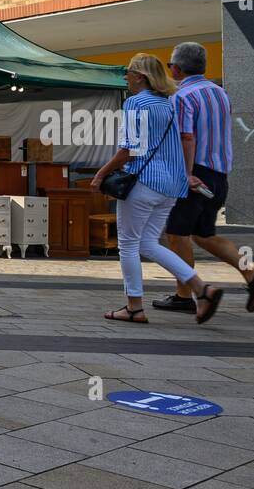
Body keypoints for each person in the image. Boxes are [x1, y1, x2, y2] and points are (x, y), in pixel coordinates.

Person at [91, 54, 223, 326]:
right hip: (171, 186)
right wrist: (186, 175)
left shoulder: (136, 103)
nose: (125, 77)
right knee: (149, 243)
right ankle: (201, 288)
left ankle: (134, 307)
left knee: (128, 244)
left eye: (127, 72)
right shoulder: (170, 104)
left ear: (140, 76)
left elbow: (130, 149)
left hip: (143, 182)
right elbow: (187, 139)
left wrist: (101, 174)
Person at [153, 41, 254, 315]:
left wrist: (185, 174)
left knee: (176, 234)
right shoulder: (220, 93)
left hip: (195, 173)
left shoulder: (182, 96)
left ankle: (185, 294)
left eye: (171, 64)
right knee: (204, 234)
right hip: (219, 173)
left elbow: (186, 137)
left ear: (177, 68)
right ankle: (253, 276)